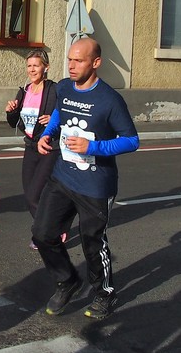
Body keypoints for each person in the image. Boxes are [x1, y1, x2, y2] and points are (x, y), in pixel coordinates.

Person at [34, 37, 139, 320]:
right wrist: (48, 134)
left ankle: (105, 293)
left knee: (93, 243)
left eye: (78, 60)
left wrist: (93, 147)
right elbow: (59, 111)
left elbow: (132, 140)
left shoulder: (110, 99)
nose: (71, 65)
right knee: (43, 234)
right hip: (63, 175)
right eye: (69, 59)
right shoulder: (65, 87)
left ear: (96, 63)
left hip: (96, 184)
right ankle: (67, 281)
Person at [5, 49, 59, 247]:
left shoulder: (54, 89)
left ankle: (44, 233)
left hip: (48, 147)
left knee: (36, 193)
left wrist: (55, 120)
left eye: (36, 65)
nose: (32, 69)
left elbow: (65, 113)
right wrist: (10, 111)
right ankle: (51, 227)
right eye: (29, 66)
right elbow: (13, 122)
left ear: (46, 67)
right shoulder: (25, 90)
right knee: (29, 195)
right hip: (30, 146)